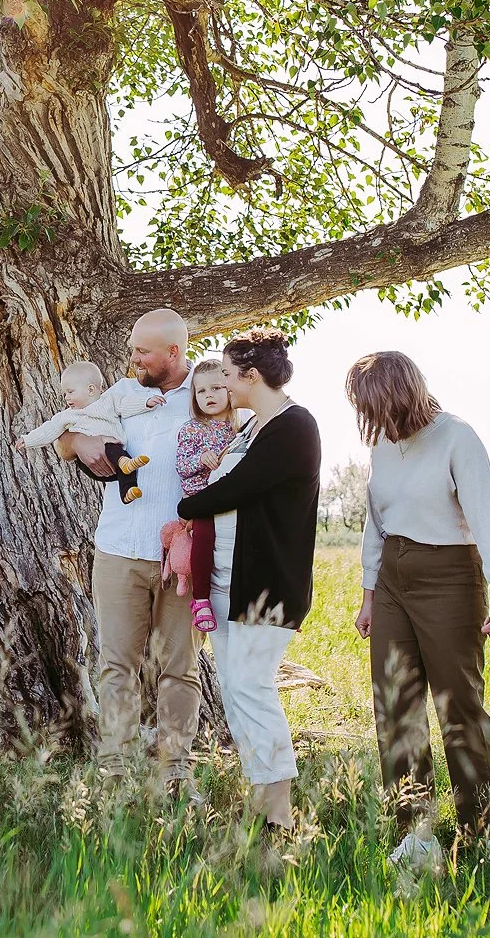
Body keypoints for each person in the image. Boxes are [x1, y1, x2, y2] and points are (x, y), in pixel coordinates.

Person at [344, 351, 490, 875]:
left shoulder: (456, 437)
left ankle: (486, 831)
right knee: (395, 703)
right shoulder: (381, 443)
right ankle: (415, 831)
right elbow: (375, 520)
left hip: (449, 573)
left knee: (458, 705)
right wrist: (370, 590)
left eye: (375, 405)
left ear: (403, 394)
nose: (370, 418)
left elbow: (487, 512)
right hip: (393, 577)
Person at [174, 328, 321, 834]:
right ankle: (260, 789)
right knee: (236, 690)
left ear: (251, 377)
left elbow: (238, 487)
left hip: (266, 583)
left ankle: (278, 808)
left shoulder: (294, 425)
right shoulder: (250, 427)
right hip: (225, 581)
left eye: (231, 377)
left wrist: (185, 508)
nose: (225, 387)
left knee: (252, 686)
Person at [58, 308, 202, 792]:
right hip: (119, 548)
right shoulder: (122, 394)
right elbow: (65, 435)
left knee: (179, 667)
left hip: (180, 556)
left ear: (174, 353)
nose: (133, 358)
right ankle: (114, 766)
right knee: (117, 664)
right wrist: (79, 441)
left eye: (143, 351)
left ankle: (175, 766)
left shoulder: (204, 394)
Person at [163, 358, 239, 633]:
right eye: (201, 391)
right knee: (205, 538)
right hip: (202, 499)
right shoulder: (192, 428)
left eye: (216, 388)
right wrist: (200, 459)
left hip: (232, 500)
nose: (209, 396)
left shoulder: (239, 428)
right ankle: (201, 599)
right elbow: (181, 467)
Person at [19, 361, 154, 502]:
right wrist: (28, 439)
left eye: (70, 392)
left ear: (90, 390)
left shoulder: (109, 401)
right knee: (115, 451)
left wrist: (146, 403)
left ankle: (128, 491)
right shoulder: (68, 415)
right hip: (92, 465)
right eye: (65, 394)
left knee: (120, 456)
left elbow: (126, 404)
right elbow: (49, 429)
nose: (66, 398)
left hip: (116, 456)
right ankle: (124, 463)